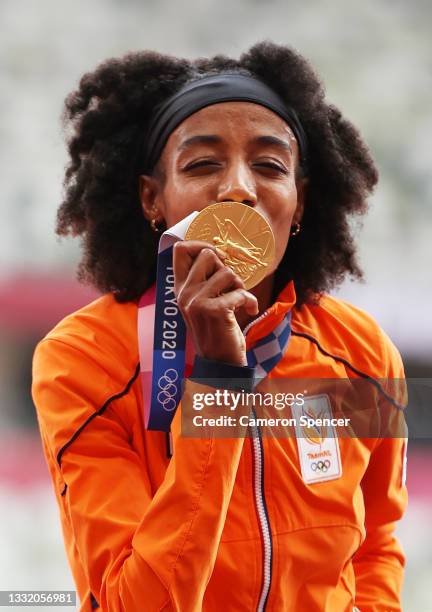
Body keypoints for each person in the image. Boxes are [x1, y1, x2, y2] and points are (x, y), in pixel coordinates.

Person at [31, 41, 408, 611]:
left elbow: (376, 543)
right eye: (203, 164)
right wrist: (217, 384)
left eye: (269, 165)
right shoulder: (84, 359)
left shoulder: (362, 351)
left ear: (300, 203)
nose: (238, 187)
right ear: (152, 199)